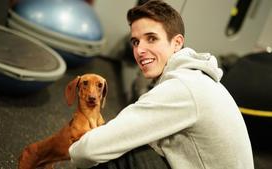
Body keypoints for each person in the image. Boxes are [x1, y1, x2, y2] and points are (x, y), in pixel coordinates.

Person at [69, 0, 254, 168]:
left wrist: (72, 153)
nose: (139, 50)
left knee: (112, 156)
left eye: (151, 38)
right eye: (135, 41)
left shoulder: (183, 88)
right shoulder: (196, 78)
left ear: (177, 43)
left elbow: (87, 151)